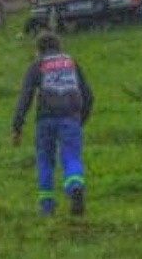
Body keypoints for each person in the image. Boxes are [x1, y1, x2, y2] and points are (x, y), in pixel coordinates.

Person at [11, 31, 94, 217]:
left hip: (45, 120)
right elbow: (88, 95)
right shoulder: (71, 63)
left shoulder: (37, 66)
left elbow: (25, 98)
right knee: (72, 157)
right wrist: (81, 119)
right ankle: (75, 186)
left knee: (45, 161)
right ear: (59, 46)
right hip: (71, 118)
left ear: (39, 50)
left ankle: (47, 206)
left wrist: (17, 127)